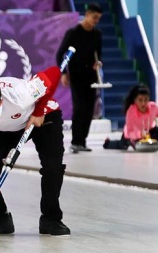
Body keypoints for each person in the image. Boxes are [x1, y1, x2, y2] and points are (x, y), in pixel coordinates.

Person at [0, 66, 71, 236]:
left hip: (43, 116)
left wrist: (39, 110)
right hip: (3, 128)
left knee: (52, 167)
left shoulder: (19, 95)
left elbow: (53, 72)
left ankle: (51, 219)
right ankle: (0, 219)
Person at [56, 2, 103, 153]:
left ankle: (83, 141)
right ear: (87, 14)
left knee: (89, 109)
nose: (96, 21)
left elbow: (98, 55)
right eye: (94, 17)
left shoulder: (97, 34)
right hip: (75, 75)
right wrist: (63, 73)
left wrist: (98, 64)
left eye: (98, 18)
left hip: (91, 76)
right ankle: (76, 141)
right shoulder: (73, 33)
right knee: (79, 107)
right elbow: (60, 54)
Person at [104, 84, 158, 150]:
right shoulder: (131, 111)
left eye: (146, 100)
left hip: (150, 131)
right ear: (135, 100)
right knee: (122, 146)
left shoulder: (153, 107)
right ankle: (108, 143)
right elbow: (130, 132)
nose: (143, 103)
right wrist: (140, 134)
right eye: (140, 100)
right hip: (132, 134)